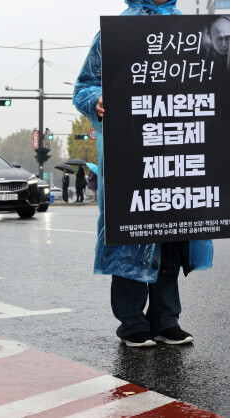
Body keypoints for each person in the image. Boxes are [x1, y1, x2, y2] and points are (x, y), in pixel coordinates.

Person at [73, 0, 213, 347]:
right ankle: (132, 321)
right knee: (130, 230)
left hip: (177, 146)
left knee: (171, 232)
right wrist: (98, 99)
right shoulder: (117, 31)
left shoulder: (192, 32)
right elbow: (84, 86)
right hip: (131, 149)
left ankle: (166, 319)